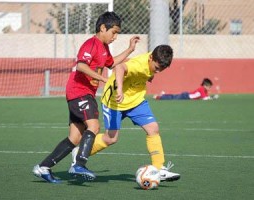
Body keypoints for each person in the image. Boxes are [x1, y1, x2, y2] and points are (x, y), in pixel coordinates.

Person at [32, 11, 140, 183]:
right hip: (79, 91)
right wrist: (103, 78)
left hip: (83, 93)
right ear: (103, 28)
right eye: (114, 32)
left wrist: (130, 49)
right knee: (94, 126)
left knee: (74, 138)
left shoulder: (104, 48)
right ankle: (79, 164)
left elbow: (112, 63)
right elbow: (81, 66)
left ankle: (43, 167)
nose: (115, 37)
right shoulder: (91, 44)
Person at [71, 45, 181, 182]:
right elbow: (119, 67)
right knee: (111, 138)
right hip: (114, 102)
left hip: (135, 100)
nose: (158, 71)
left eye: (161, 69)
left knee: (153, 129)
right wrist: (120, 90)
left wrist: (149, 76)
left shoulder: (154, 58)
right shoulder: (138, 65)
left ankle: (159, 168)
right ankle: (80, 152)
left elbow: (147, 70)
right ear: (151, 58)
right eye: (157, 68)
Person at [154, 78, 219, 100]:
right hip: (186, 96)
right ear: (205, 85)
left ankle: (163, 95)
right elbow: (205, 98)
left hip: (186, 96)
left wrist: (211, 97)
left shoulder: (204, 90)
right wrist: (213, 97)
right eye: (209, 86)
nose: (209, 88)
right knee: (173, 97)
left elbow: (206, 97)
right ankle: (159, 97)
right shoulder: (201, 89)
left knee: (173, 96)